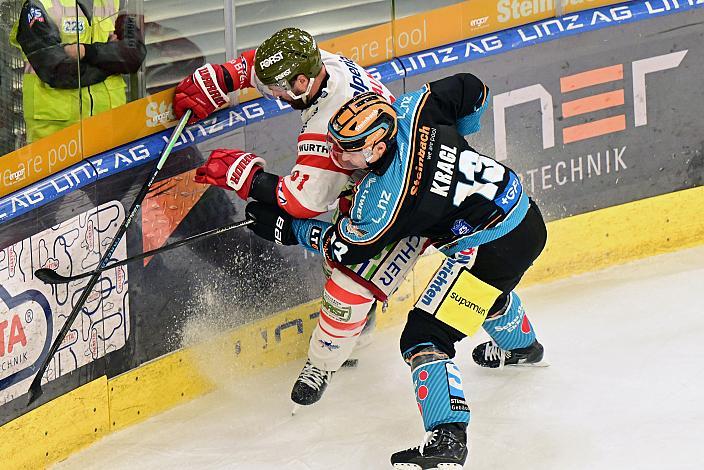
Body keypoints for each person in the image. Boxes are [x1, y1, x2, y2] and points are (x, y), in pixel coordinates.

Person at [244, 75, 547, 468]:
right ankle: (522, 346)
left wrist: (288, 228)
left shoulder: (383, 202)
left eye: (349, 153)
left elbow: (343, 247)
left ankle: (448, 438)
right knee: (477, 294)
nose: (339, 159)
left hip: (490, 248)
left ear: (378, 146)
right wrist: (460, 146)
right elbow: (472, 89)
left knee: (425, 335)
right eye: (336, 145)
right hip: (525, 217)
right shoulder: (412, 110)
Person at [173, 28, 423, 408]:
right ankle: (519, 339)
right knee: (470, 266)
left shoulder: (328, 122)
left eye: (278, 90)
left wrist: (245, 177)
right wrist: (228, 77)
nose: (272, 95)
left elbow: (303, 203)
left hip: (393, 205)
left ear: (302, 81)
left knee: (347, 283)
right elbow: (270, 68)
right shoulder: (327, 66)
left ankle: (323, 363)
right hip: (396, 170)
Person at [9, 0, 145, 143]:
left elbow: (134, 54)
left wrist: (86, 52)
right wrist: (112, 60)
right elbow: (58, 70)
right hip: (57, 134)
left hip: (110, 125)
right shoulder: (38, 4)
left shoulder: (115, 1)